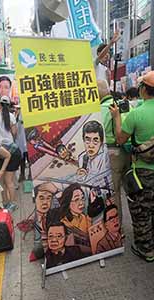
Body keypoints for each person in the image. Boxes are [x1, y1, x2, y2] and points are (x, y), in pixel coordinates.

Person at [110, 71, 154, 262]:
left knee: (141, 212)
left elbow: (120, 139)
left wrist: (117, 117)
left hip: (143, 171)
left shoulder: (136, 114)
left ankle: (146, 250)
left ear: (143, 89)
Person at [97, 80, 130, 222]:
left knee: (115, 192)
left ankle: (118, 228)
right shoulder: (124, 105)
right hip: (129, 152)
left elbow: (99, 135)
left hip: (112, 154)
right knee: (132, 190)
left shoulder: (100, 111)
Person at [77, 120, 111, 187]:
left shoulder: (107, 152)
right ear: (83, 140)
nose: (91, 145)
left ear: (101, 142)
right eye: (87, 140)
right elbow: (83, 182)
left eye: (95, 141)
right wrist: (80, 177)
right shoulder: (82, 157)